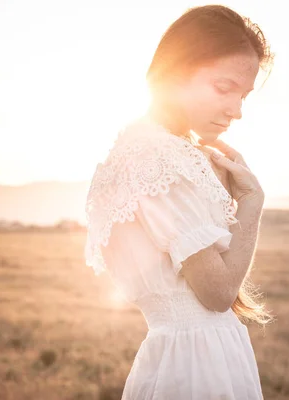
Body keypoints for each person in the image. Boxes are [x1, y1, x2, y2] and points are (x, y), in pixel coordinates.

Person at [84, 4, 275, 399]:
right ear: (176, 70)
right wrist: (251, 204)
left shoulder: (142, 149)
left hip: (181, 355)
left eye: (243, 95)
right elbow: (218, 294)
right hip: (198, 365)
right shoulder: (159, 158)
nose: (236, 111)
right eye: (224, 88)